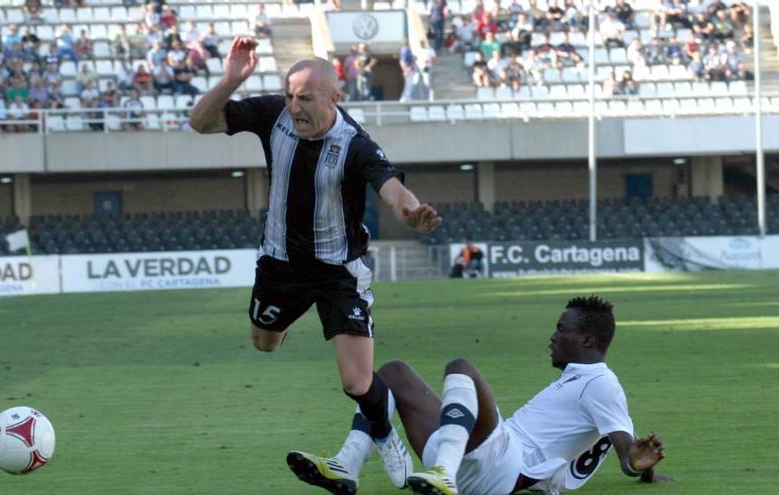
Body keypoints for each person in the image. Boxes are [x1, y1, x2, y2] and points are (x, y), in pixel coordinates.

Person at [189, 36, 442, 491]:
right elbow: (199, 123)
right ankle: (372, 427)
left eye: (305, 97)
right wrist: (230, 81)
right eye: (290, 95)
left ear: (334, 98)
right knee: (264, 344)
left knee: (356, 380)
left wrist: (411, 212)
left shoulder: (355, 144)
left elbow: (391, 189)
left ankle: (386, 437)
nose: (295, 106)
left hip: (337, 273)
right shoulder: (274, 115)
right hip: (280, 266)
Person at [297, 296, 673, 494]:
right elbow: (631, 453)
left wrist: (637, 466)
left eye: (562, 330)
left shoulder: (601, 383)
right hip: (477, 460)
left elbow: (627, 452)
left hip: (505, 466)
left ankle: (443, 473)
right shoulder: (580, 378)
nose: (553, 336)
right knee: (392, 373)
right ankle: (348, 463)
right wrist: (644, 471)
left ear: (588, 340)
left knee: (462, 368)